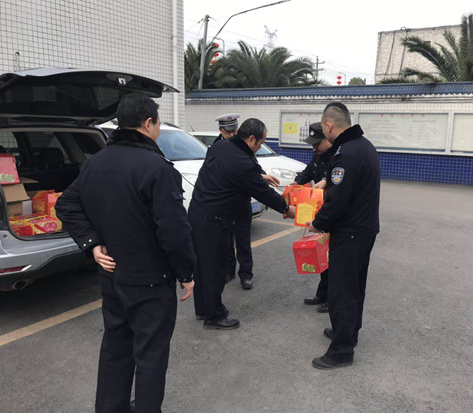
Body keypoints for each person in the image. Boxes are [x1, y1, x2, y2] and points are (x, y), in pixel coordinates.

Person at [55, 93, 196, 413]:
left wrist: (91, 243)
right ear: (148, 123)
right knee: (150, 354)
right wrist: (186, 274)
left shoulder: (95, 163)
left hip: (112, 276)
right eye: (157, 123)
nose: (157, 129)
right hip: (150, 280)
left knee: (115, 349)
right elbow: (174, 232)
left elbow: (66, 204)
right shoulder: (157, 168)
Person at [189, 118, 296, 330]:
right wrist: (287, 209)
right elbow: (262, 193)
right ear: (251, 139)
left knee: (202, 267)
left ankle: (203, 309)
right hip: (214, 221)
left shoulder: (221, 147)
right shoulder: (241, 162)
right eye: (261, 142)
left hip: (198, 214)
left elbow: (232, 173)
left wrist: (259, 176)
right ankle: (214, 316)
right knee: (216, 269)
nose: (260, 147)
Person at [306, 102, 380, 370]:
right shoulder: (364, 146)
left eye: (323, 127)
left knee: (341, 291)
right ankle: (348, 332)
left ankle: (341, 351)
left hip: (349, 234)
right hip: (364, 230)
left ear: (329, 125)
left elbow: (337, 201)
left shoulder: (345, 154)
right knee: (355, 287)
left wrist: (317, 223)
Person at [292, 122, 333, 313]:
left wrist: (325, 182)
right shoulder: (318, 155)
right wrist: (297, 182)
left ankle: (332, 299)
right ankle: (322, 294)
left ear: (328, 139)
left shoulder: (338, 157)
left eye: (317, 143)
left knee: (333, 258)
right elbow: (309, 171)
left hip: (333, 213)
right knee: (322, 253)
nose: (314, 147)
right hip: (320, 211)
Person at [212, 113, 254, 289]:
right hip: (225, 204)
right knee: (226, 239)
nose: (231, 135)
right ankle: (229, 270)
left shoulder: (243, 146)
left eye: (234, 131)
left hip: (242, 201)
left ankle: (246, 274)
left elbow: (253, 168)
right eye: (228, 132)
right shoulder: (215, 148)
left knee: (243, 239)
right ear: (220, 131)